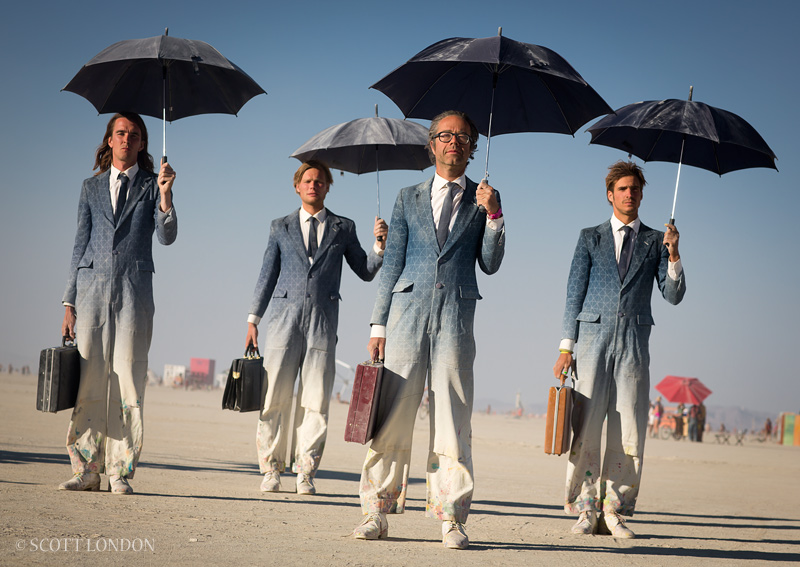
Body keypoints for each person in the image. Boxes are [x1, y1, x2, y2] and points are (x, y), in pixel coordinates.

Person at [352, 110, 505, 550]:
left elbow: (491, 264)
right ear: (431, 144)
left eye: (462, 136)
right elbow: (392, 264)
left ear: (473, 146)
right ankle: (375, 511)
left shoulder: (484, 198)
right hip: (405, 316)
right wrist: (378, 323)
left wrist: (494, 215)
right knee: (392, 413)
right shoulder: (407, 197)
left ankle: (451, 517)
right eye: (445, 135)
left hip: (456, 319)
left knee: (453, 416)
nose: (453, 141)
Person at [552, 160, 685, 538]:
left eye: (636, 189)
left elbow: (673, 295)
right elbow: (573, 293)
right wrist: (566, 347)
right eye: (623, 189)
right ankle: (585, 509)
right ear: (610, 194)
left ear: (642, 194)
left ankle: (616, 510)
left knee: (629, 427)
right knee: (586, 427)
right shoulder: (589, 237)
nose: (630, 195)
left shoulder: (657, 241)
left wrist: (674, 254)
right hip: (592, 342)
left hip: (634, 345)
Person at [246, 160, 387, 495]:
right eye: (307, 181)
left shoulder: (343, 227)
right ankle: (270, 469)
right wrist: (253, 320)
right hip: (283, 322)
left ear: (327, 187)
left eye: (320, 181)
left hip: (323, 323)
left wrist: (379, 246)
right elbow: (267, 275)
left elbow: (365, 271)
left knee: (317, 400)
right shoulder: (279, 226)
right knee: (274, 398)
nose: (313, 185)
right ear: (297, 186)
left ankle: (305, 471)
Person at [60, 113, 178, 494]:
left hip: (134, 292)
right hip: (91, 291)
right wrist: (69, 301)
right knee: (91, 377)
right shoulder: (90, 187)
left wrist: (165, 196)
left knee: (129, 376)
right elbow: (80, 245)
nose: (127, 139)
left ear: (143, 144)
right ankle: (86, 470)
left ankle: (120, 472)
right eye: (120, 133)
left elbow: (168, 237)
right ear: (109, 140)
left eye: (135, 135)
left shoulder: (151, 184)